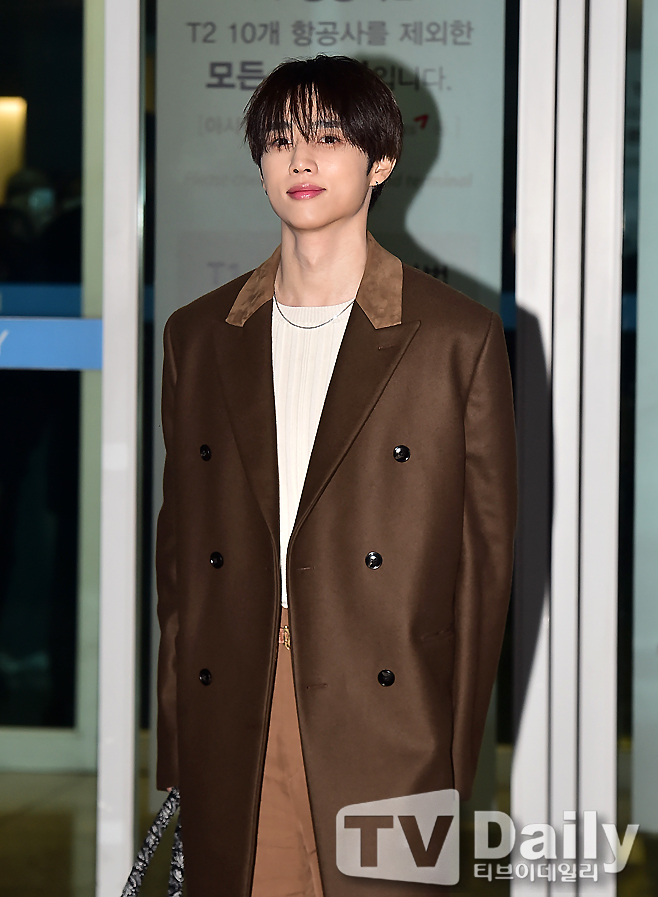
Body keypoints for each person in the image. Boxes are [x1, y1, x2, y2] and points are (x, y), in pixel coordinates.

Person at [155, 54, 517, 897]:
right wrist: (176, 742)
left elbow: (483, 569)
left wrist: (449, 759)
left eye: (327, 136)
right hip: (239, 690)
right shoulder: (199, 335)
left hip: (388, 705)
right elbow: (181, 563)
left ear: (380, 160)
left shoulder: (455, 337)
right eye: (280, 139)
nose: (301, 159)